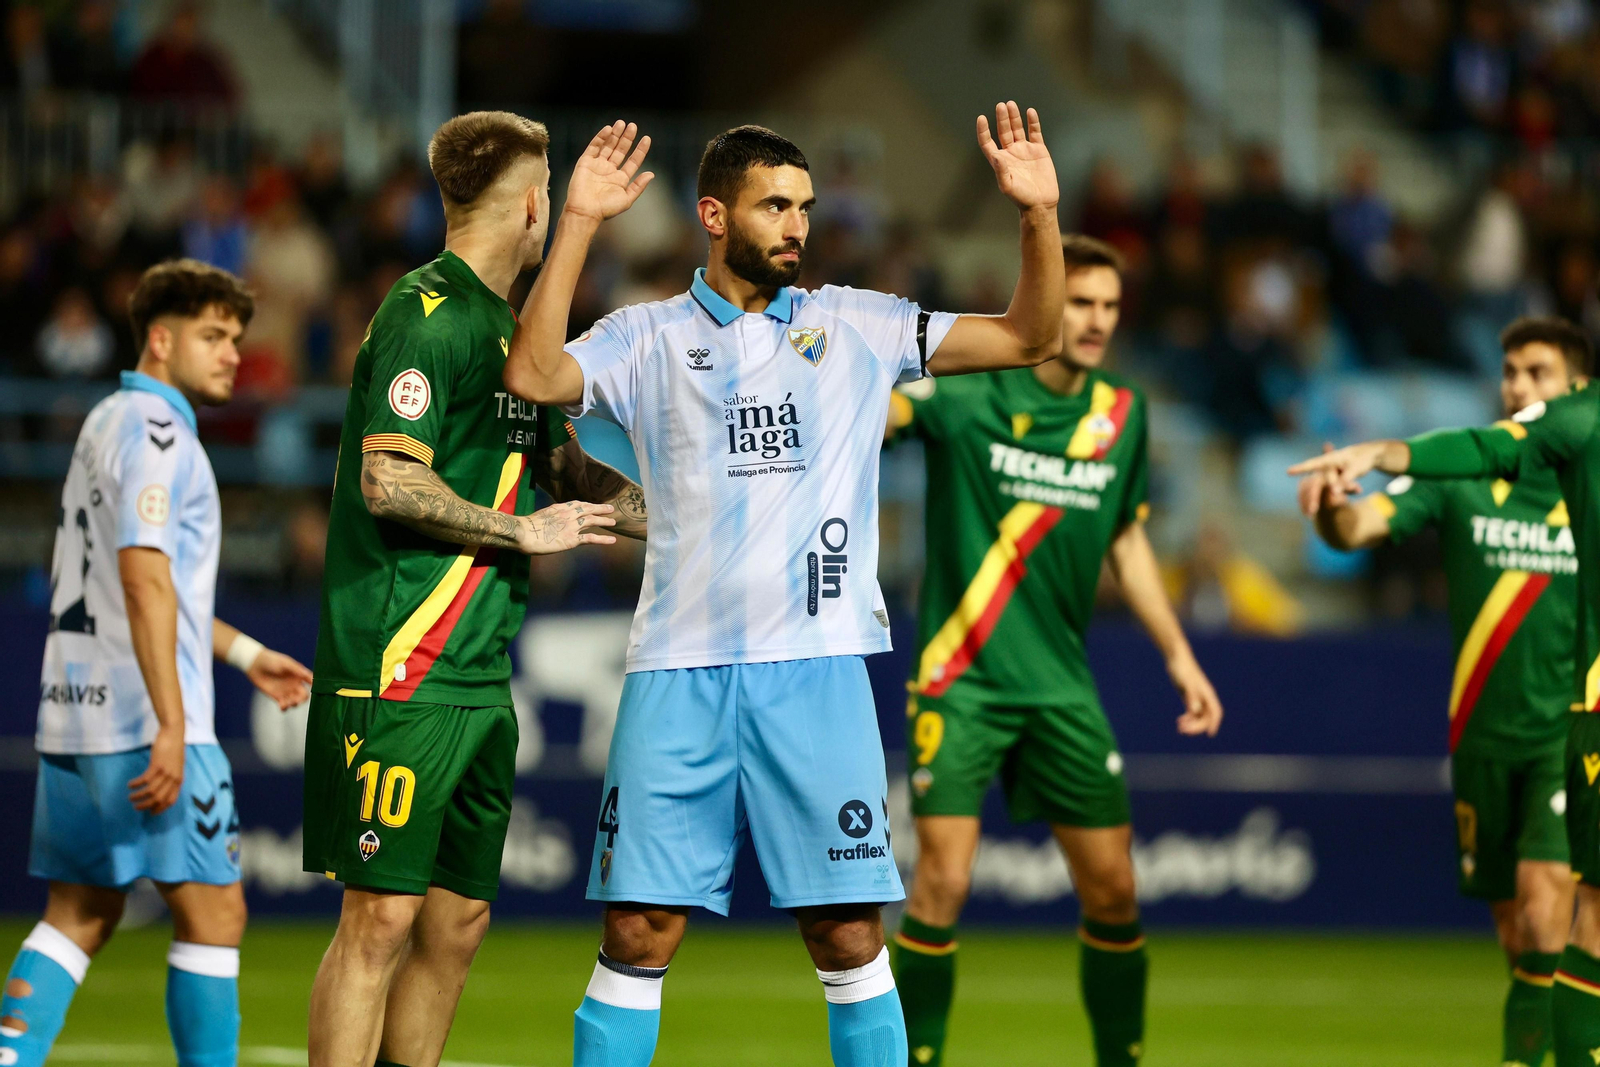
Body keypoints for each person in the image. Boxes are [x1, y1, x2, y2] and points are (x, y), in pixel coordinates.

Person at [502, 102, 1067, 1067]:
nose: (798, 225)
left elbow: (1028, 337)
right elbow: (534, 372)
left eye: (804, 207)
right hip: (677, 668)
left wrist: (1038, 215)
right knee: (637, 930)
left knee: (848, 933)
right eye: (775, 206)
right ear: (714, 215)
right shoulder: (645, 336)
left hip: (816, 670)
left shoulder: (860, 322)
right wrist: (582, 221)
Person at [302, 111, 646, 1067]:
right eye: (551, 190)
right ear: (534, 205)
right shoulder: (427, 311)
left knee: (456, 923)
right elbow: (388, 479)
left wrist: (708, 515)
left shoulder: (511, 334)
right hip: (400, 660)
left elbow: (572, 477)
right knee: (379, 917)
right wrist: (521, 530)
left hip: (480, 670)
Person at [885, 235, 1224, 1067]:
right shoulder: (968, 392)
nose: (1097, 320)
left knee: (1114, 887)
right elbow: (877, 411)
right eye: (1080, 302)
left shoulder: (1123, 414)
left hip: (1061, 688)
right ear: (1044, 300)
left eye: (1109, 306)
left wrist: (1178, 654)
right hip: (960, 681)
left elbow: (1128, 544)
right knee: (943, 880)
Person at [0, 259, 314, 1067]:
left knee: (80, 911)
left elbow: (148, 587)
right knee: (215, 914)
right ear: (161, 339)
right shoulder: (160, 434)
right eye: (213, 335)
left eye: (236, 337)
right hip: (148, 719)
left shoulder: (106, 420)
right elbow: (144, 579)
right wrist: (173, 722)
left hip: (76, 711)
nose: (233, 353)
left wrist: (246, 653)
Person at [1288, 322, 1600, 1067]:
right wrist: (1331, 504)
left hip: (1565, 734)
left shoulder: (1583, 479)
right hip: (1482, 738)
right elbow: (1358, 528)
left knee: (1551, 908)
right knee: (1518, 934)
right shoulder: (1462, 476)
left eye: (1538, 373)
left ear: (1573, 391)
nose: (1519, 386)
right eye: (1511, 371)